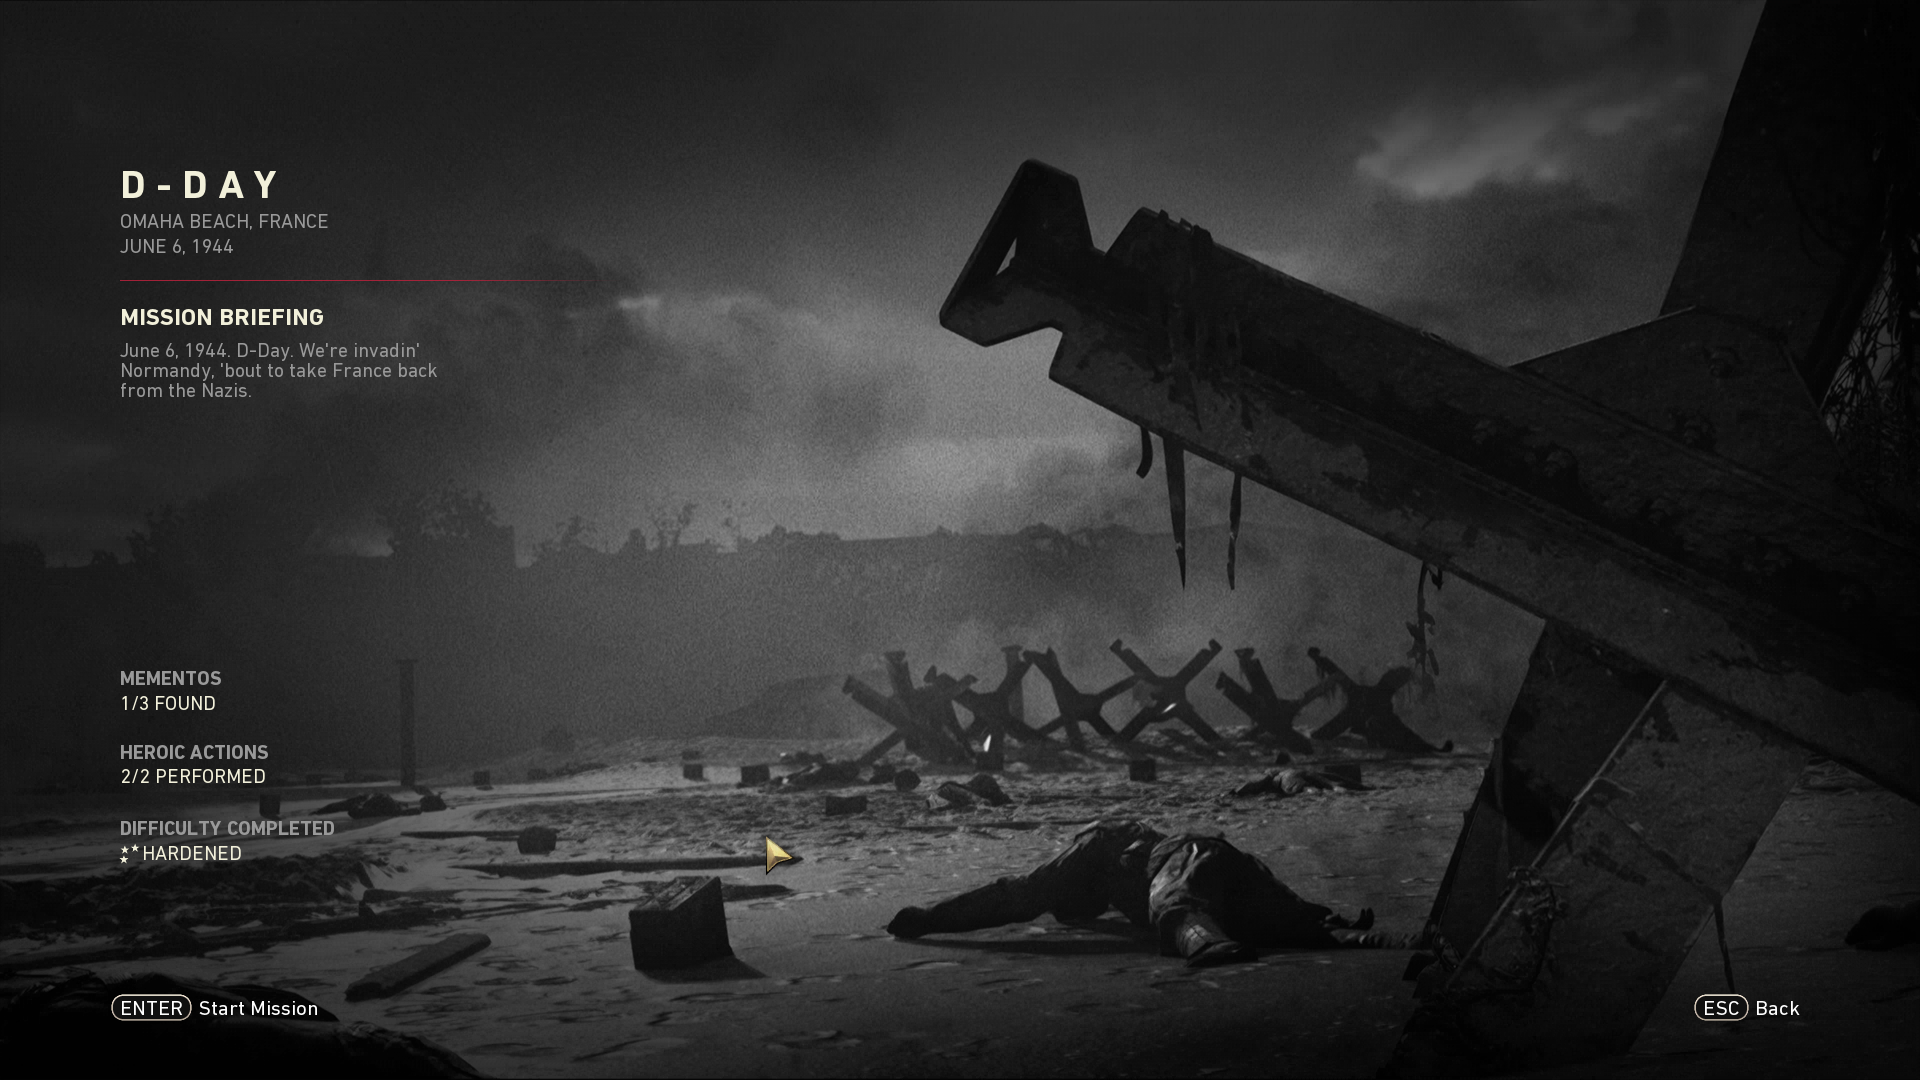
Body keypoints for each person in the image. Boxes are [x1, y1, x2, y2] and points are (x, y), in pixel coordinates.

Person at [886, 819, 1424, 966]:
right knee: (1302, 929)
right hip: (1225, 867)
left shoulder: (1097, 845)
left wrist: (930, 918)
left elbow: (1016, 895)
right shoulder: (1113, 878)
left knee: (1176, 908)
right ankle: (1407, 941)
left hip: (1186, 858)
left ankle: (1205, 945)